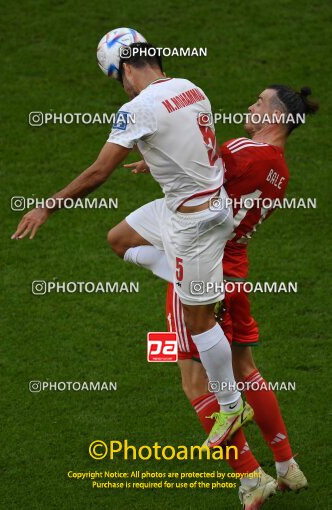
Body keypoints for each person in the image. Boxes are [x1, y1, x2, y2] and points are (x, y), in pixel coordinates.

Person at [12, 42, 250, 446]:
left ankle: (232, 405)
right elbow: (190, 139)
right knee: (119, 239)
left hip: (195, 223)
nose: (120, 87)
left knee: (199, 322)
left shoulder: (138, 107)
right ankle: (191, 282)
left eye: (115, 78)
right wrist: (155, 158)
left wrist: (47, 208)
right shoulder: (191, 87)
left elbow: (99, 172)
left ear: (125, 70)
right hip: (189, 206)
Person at [128, 84, 319, 509]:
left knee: (194, 379)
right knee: (245, 367)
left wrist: (154, 154)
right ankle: (287, 465)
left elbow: (198, 169)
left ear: (276, 117)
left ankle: (251, 477)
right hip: (236, 273)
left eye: (259, 102)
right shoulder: (281, 170)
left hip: (202, 270)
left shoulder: (244, 149)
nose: (250, 105)